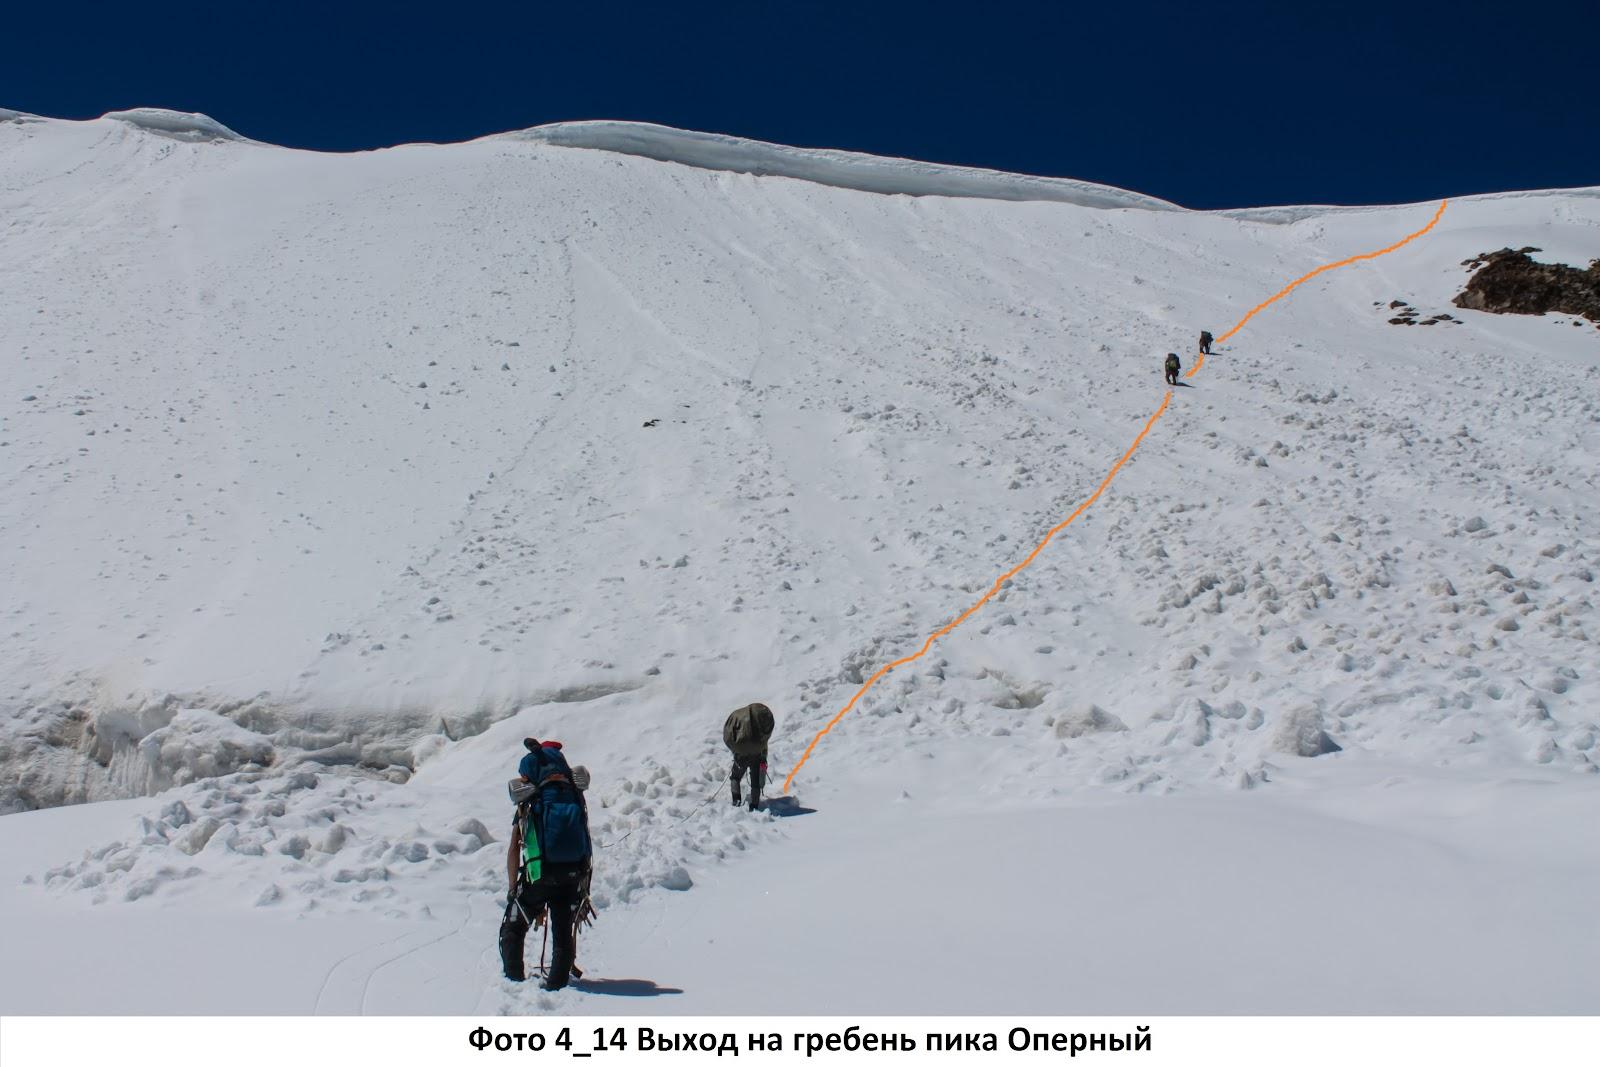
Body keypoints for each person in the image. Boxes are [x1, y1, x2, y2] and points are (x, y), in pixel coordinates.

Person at [500, 738, 594, 990]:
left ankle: (514, 981)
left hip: (540, 876)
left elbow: (513, 848)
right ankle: (557, 985)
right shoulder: (574, 797)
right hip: (573, 874)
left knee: (514, 925)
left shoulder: (531, 802)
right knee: (563, 931)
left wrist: (513, 888)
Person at [723, 702, 775, 810]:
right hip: (757, 754)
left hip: (741, 754)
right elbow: (764, 744)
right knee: (755, 782)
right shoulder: (760, 729)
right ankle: (754, 805)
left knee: (735, 777)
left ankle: (736, 800)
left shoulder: (740, 722)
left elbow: (730, 735)